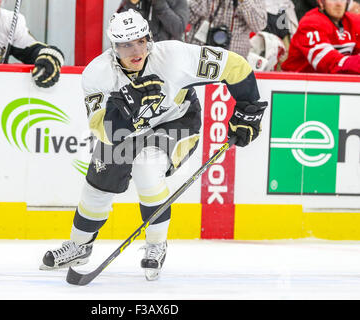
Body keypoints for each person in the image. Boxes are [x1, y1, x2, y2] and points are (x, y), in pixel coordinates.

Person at [40, 9, 267, 281]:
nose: (135, 51)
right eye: (125, 44)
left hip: (178, 121)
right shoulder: (97, 74)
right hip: (123, 132)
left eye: (140, 41)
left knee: (147, 167)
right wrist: (127, 111)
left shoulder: (175, 57)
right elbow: (103, 127)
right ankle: (79, 245)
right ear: (113, 46)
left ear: (149, 38)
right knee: (97, 186)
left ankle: (156, 244)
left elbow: (236, 66)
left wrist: (248, 110)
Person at [282, 0, 360, 74]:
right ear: (321, 2)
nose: (339, 4)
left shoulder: (353, 21)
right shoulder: (310, 24)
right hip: (297, 84)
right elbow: (330, 65)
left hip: (332, 84)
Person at [186, 0, 267, 58]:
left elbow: (259, 25)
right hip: (199, 53)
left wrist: (244, 2)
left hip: (232, 58)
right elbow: (188, 18)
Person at [116, 0, 189, 41]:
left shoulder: (178, 1)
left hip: (166, 55)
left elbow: (178, 29)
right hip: (139, 54)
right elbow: (119, 27)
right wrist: (131, 4)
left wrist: (159, 3)